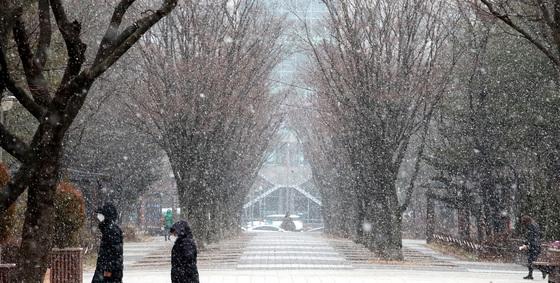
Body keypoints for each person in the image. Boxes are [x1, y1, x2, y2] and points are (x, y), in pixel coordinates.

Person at [92, 203, 123, 283]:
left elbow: (115, 252)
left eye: (101, 214)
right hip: (104, 270)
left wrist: (108, 270)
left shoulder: (111, 230)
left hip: (108, 273)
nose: (99, 217)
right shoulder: (107, 229)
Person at [519, 215, 544, 280]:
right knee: (531, 261)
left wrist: (526, 244)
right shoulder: (535, 225)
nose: (524, 225)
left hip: (534, 246)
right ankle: (531, 274)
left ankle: (544, 271)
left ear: (526, 222)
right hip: (536, 245)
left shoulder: (531, 226)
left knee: (532, 261)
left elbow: (530, 236)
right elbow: (536, 235)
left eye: (524, 223)